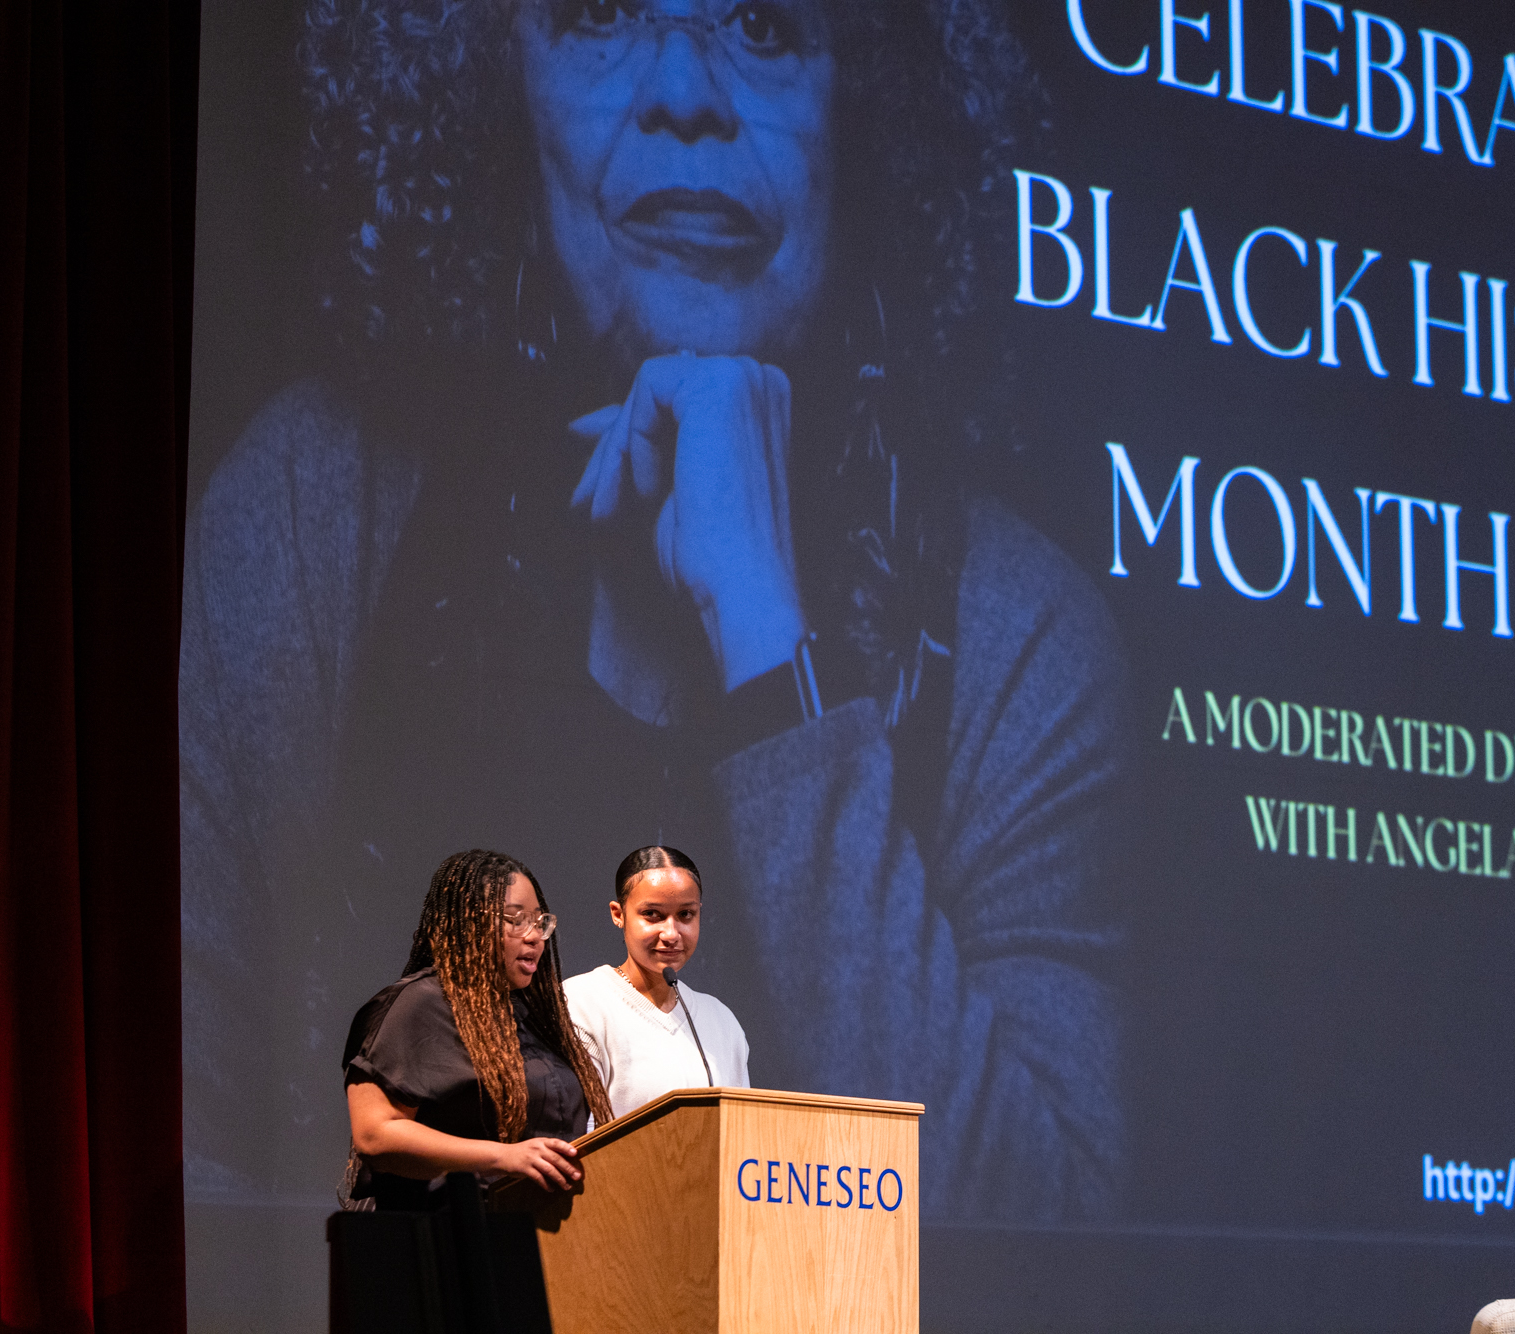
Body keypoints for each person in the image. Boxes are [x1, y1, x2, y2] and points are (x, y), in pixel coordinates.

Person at [183, 0, 1129, 1223]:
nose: (686, 88)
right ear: (494, 85)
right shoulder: (313, 515)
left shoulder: (1019, 636)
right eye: (597, 14)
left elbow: (1038, 1248)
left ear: (868, 106)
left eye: (767, 27)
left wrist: (763, 648)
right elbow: (171, 1174)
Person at [342, 849, 615, 1210]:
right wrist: (503, 1157)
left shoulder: (535, 1015)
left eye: (540, 922)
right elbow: (375, 1133)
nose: (535, 937)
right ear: (468, 922)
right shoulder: (420, 1004)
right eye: (516, 920)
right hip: (450, 1238)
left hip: (544, 1241)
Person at [565, 846, 750, 1117]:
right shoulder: (581, 1003)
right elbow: (581, 1134)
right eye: (652, 914)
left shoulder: (721, 1021)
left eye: (686, 914)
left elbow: (742, 1131)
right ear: (619, 914)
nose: (671, 933)